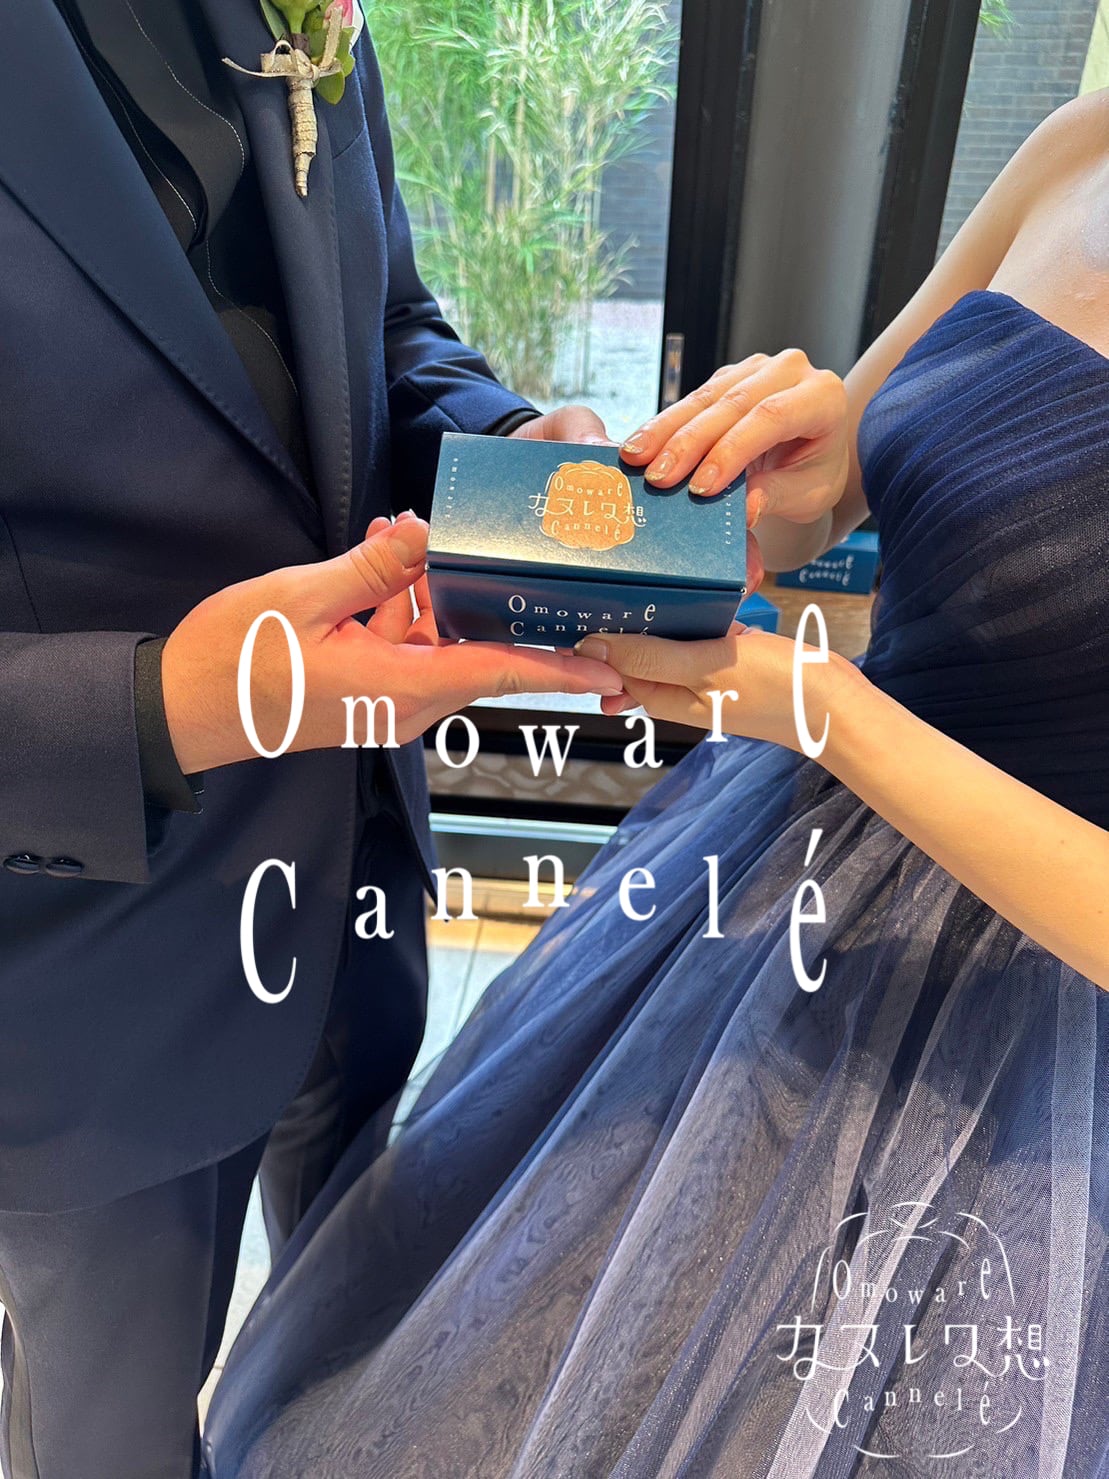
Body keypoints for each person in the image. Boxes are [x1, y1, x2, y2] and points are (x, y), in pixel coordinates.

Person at [204, 90, 1108, 1477]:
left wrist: (824, 710)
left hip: (1034, 1028)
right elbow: (823, 494)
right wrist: (782, 460)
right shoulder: (1082, 142)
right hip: (784, 862)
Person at [0, 4, 622, 1477]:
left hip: (355, 866)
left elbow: (382, 319)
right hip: (89, 954)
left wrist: (502, 451)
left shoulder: (303, 14)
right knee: (108, 1442)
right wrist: (172, 705)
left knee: (355, 1352)